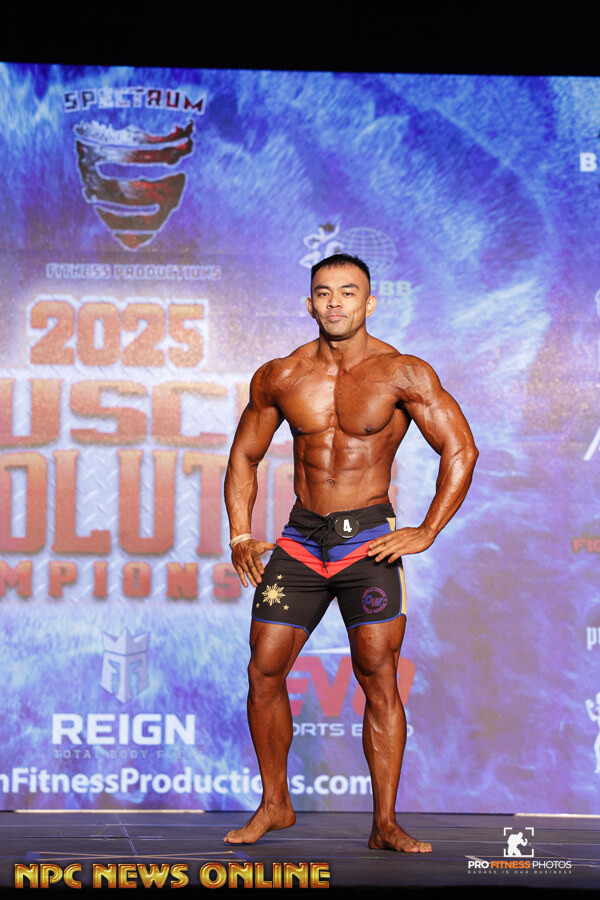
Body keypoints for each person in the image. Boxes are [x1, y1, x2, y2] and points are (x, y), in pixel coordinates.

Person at [223, 253, 478, 852]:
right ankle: (275, 804)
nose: (335, 302)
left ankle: (385, 823)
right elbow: (244, 455)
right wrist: (239, 534)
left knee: (378, 674)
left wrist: (427, 530)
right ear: (309, 303)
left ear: (370, 302)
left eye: (348, 291)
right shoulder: (281, 376)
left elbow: (460, 449)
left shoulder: (402, 373)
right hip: (301, 539)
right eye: (323, 292)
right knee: (263, 669)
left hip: (367, 542)